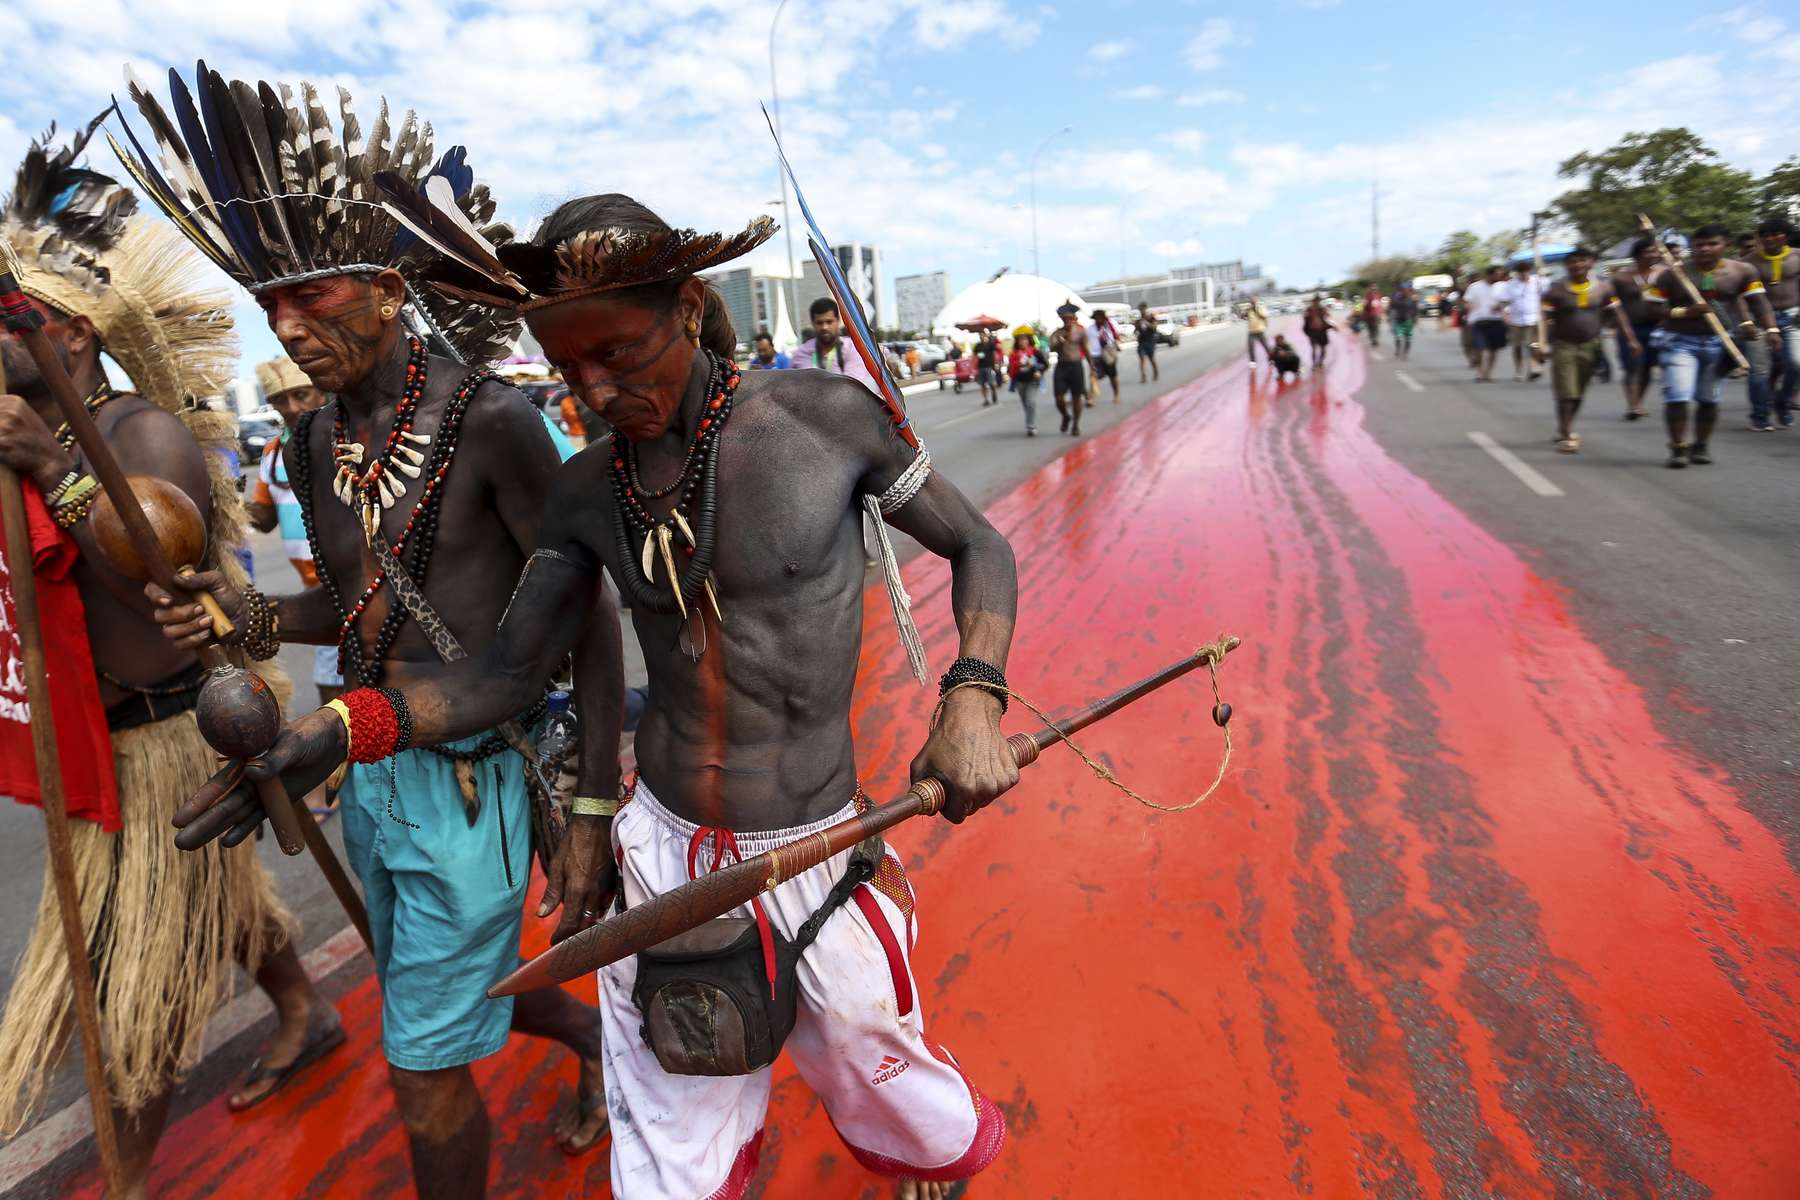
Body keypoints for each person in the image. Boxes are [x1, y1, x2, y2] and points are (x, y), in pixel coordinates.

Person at [165, 192, 1018, 1200]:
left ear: (692, 307)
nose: (597, 388)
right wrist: (345, 730)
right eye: (570, 370)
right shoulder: (581, 490)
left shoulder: (824, 424)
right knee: (669, 1125)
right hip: (659, 851)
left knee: (876, 1066)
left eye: (618, 353)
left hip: (813, 838)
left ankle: (915, 1152)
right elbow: (507, 674)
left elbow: (978, 544)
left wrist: (973, 693)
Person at [120, 70, 616, 1194]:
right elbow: (348, 611)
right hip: (367, 776)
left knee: (420, 1068)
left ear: (392, 291)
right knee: (427, 999)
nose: (289, 328)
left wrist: (589, 804)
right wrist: (241, 612)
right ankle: (584, 1043)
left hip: (474, 782)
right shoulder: (311, 441)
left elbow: (576, 617)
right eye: (269, 306)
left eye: (315, 296)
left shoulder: (494, 422)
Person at [0, 123, 336, 1191]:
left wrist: (57, 467)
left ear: (75, 337)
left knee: (122, 984)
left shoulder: (138, 435)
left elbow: (158, 590)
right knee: (213, 910)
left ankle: (127, 1181)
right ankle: (302, 1004)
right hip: (88, 738)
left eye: (15, 320)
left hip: (165, 743)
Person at [1643, 222, 1780, 467]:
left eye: (1712, 244)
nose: (1704, 249)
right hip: (1679, 342)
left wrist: (1769, 328)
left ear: (1725, 245)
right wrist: (1685, 312)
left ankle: (1701, 446)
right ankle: (1677, 448)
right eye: (1699, 245)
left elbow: (1758, 302)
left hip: (1720, 343)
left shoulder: (1742, 271)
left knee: (1708, 399)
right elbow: (1652, 309)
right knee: (1678, 396)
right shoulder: (1673, 274)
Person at [1535, 247, 1640, 453]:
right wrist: (1539, 344)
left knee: (1578, 392)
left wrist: (1631, 339)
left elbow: (1618, 314)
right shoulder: (1555, 290)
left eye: (1582, 261)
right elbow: (1543, 321)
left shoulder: (1603, 288)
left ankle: (1565, 426)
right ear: (1566, 265)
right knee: (1566, 391)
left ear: (1590, 263)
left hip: (1592, 346)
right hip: (1563, 346)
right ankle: (1566, 435)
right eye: (1572, 262)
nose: (1577, 265)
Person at [1746, 217, 1798, 431]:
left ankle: (1782, 402)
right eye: (1764, 235)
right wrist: (1746, 321)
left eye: (1775, 234)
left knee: (1796, 364)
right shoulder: (1749, 262)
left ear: (1785, 236)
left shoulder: (1798, 257)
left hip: (1793, 317)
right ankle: (1760, 415)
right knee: (1759, 370)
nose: (1769, 239)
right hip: (1759, 320)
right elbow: (1742, 294)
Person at [1611, 237, 1661, 421]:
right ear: (1637, 255)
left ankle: (1638, 400)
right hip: (1629, 328)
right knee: (1633, 366)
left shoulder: (1664, 274)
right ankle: (1633, 405)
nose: (1653, 254)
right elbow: (1613, 305)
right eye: (1648, 251)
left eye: (1654, 251)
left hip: (1656, 327)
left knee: (1648, 367)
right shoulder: (1621, 278)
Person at [792, 297, 878, 390]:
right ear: (813, 323)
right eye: (819, 323)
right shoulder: (802, 353)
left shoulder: (853, 349)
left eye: (829, 322)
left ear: (838, 321)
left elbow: (851, 386)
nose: (824, 327)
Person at [1049, 300, 1090, 435]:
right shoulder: (1057, 333)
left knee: (1076, 397)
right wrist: (1061, 342)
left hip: (1076, 365)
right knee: (1059, 398)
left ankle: (1076, 425)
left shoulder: (1080, 332)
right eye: (1064, 319)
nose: (1067, 321)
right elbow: (1052, 348)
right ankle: (1066, 416)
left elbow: (1086, 349)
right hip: (1062, 366)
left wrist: (1092, 366)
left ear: (1074, 319)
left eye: (1070, 318)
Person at [1499, 262, 1544, 382]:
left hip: (1533, 319)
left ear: (1529, 271)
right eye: (1521, 272)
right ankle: (1518, 370)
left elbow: (1545, 298)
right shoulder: (1511, 284)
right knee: (1517, 346)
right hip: (1516, 320)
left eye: (1526, 271)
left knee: (1533, 345)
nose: (1524, 274)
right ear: (1517, 273)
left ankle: (1534, 368)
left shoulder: (1537, 282)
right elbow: (1504, 301)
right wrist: (1505, 315)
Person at [1464, 265, 1509, 382]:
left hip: (1496, 320)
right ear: (1490, 274)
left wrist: (1502, 309)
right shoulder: (1475, 287)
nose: (1500, 277)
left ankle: (1488, 373)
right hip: (1478, 321)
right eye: (1497, 275)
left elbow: (1506, 302)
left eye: (1501, 275)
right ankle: (1479, 372)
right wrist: (1470, 311)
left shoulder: (1502, 287)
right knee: (1479, 347)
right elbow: (1467, 302)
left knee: (1494, 349)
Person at [1008, 324, 1048, 435]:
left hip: (1033, 381)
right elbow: (1009, 370)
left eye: (1024, 339)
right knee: (1026, 404)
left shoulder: (1035, 352)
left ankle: (1031, 426)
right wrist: (1016, 366)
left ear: (1028, 340)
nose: (1022, 341)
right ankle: (1031, 421)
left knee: (1031, 402)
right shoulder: (1013, 355)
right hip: (1020, 382)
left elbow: (1045, 364)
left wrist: (1039, 372)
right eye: (1020, 339)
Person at [1088, 307, 1122, 404]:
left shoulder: (1109, 326)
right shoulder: (1090, 329)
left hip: (1108, 355)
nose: (1098, 320)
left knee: (1113, 377)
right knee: (1093, 377)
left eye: (1100, 318)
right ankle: (1092, 398)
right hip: (1095, 355)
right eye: (1096, 318)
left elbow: (1116, 338)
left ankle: (1116, 394)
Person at [1301, 294, 1333, 368]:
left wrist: (1325, 313)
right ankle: (1314, 364)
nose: (1316, 302)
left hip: (1322, 331)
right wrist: (1307, 315)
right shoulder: (1309, 309)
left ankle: (1320, 362)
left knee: (1323, 348)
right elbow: (1304, 317)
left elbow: (1328, 316)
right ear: (1313, 301)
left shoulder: (1322, 309)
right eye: (1315, 301)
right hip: (1312, 331)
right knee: (1314, 348)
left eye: (1318, 301)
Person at [1388, 286, 1419, 359]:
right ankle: (1398, 350)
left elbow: (1415, 310)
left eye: (1407, 291)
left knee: (1408, 338)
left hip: (1408, 321)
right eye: (1404, 291)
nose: (1406, 292)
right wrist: (1390, 318)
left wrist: (1415, 319)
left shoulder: (1412, 301)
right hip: (1398, 321)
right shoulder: (1396, 300)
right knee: (1398, 337)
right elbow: (1391, 308)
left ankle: (1406, 353)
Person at [973, 330, 1002, 406]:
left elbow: (995, 353)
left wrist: (996, 363)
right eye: (980, 335)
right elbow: (974, 355)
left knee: (991, 383)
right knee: (982, 384)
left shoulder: (990, 344)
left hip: (989, 366)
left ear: (986, 336)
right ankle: (986, 399)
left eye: (983, 335)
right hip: (981, 367)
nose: (981, 337)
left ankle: (994, 392)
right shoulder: (978, 346)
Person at [1133, 302, 1160, 382]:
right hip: (1141, 342)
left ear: (1146, 309)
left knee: (1151, 359)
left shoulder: (1151, 318)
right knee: (1142, 359)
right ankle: (1143, 376)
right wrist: (1136, 326)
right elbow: (1135, 331)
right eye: (1140, 309)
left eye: (1143, 309)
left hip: (1150, 341)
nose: (1142, 311)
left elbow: (1155, 327)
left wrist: (1147, 324)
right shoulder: (1139, 320)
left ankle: (1155, 372)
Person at [1243, 296, 1273, 367]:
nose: (1252, 302)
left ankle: (1271, 359)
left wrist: (1256, 310)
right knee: (1251, 346)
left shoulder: (1261, 307)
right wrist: (1245, 313)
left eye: (1253, 301)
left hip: (1260, 330)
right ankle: (1253, 361)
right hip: (1251, 331)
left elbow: (1264, 316)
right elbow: (1244, 317)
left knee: (1266, 346)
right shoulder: (1249, 309)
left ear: (1256, 301)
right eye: (1251, 301)